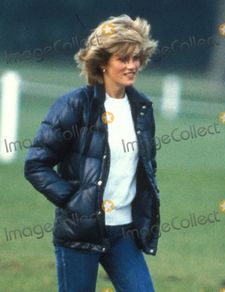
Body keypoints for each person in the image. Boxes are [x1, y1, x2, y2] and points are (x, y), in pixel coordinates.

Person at [24, 14, 160, 292]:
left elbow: (146, 168)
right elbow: (36, 164)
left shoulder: (142, 109)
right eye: (123, 58)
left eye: (137, 58)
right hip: (80, 232)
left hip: (124, 232)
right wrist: (74, 201)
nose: (132, 65)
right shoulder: (74, 106)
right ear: (102, 62)